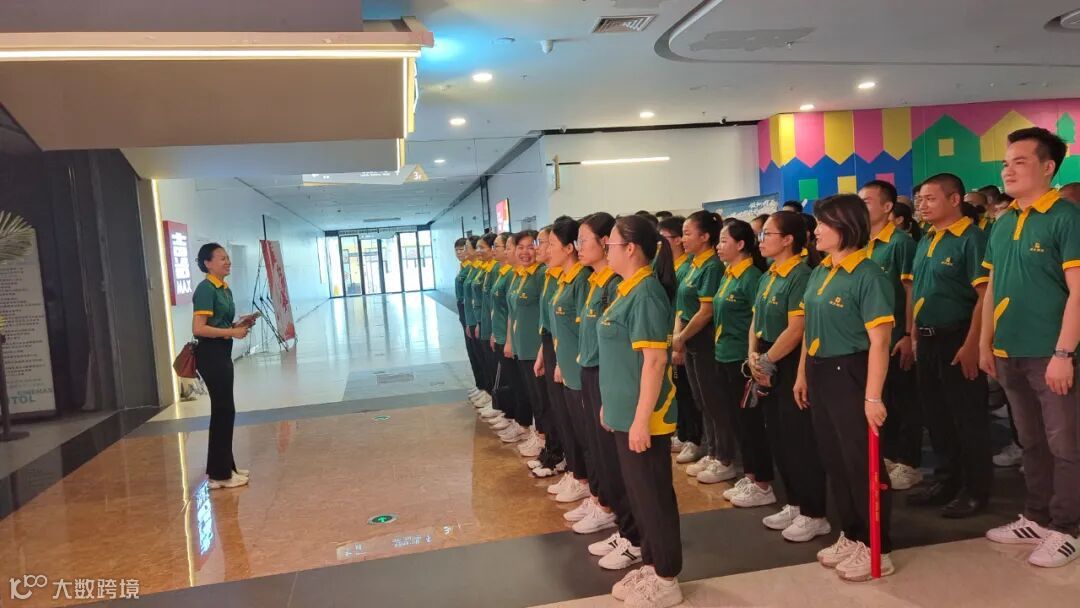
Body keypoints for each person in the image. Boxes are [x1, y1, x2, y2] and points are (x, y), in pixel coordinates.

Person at [981, 127, 1080, 568]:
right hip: (1009, 351)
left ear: (1048, 167)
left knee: (1066, 444)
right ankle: (1037, 517)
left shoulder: (1066, 216)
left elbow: (1078, 291)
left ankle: (1067, 528)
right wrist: (985, 343)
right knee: (1031, 441)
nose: (1008, 170)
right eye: (1006, 163)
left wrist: (1063, 353)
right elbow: (993, 287)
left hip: (1050, 353)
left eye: (1020, 161)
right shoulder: (1003, 223)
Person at [794, 194, 896, 581]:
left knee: (861, 463)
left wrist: (873, 396)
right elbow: (809, 329)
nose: (816, 230)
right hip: (820, 370)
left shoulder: (870, 275)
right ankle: (852, 534)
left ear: (847, 226)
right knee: (834, 459)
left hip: (852, 372)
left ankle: (878, 546)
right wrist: (803, 374)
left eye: (824, 223)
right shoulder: (820, 271)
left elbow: (880, 342)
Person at [600, 214, 683, 608]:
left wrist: (639, 420)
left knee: (653, 497)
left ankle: (667, 579)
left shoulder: (646, 293)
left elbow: (654, 362)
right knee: (639, 495)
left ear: (630, 248)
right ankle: (651, 565)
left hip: (644, 415)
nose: (607, 250)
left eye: (611, 243)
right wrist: (612, 405)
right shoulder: (626, 289)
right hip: (625, 410)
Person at [907, 173, 992, 519]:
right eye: (920, 200)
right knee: (937, 417)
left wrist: (973, 345)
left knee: (967, 418)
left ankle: (975, 490)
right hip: (927, 339)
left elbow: (984, 296)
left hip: (958, 338)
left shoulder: (971, 239)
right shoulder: (927, 239)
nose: (922, 205)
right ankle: (946, 481)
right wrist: (914, 334)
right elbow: (920, 291)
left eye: (930, 199)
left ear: (955, 200)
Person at [752, 212, 829, 542]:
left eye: (767, 234)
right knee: (778, 437)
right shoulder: (769, 274)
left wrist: (767, 360)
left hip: (789, 361)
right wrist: (753, 356)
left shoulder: (801, 275)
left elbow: (797, 329)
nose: (761, 240)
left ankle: (814, 512)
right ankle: (794, 502)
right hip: (766, 359)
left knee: (799, 440)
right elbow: (755, 320)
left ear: (788, 240)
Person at [859, 180, 923, 491]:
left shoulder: (900, 243)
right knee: (883, 399)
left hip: (896, 335)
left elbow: (910, 291)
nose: (861, 208)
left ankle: (908, 462)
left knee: (904, 401)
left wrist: (909, 333)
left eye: (867, 201)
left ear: (887, 207)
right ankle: (888, 456)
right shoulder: (863, 243)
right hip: (870, 339)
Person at [712, 219, 773, 508]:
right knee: (738, 421)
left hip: (742, 360)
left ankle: (763, 483)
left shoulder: (752, 277)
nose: (718, 246)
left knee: (751, 424)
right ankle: (750, 475)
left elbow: (757, 320)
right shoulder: (728, 273)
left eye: (724, 241)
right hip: (724, 355)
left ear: (741, 244)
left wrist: (753, 354)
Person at [673, 211, 737, 484]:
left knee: (714, 401)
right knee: (701, 399)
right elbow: (681, 307)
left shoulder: (712, 267)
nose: (683, 239)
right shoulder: (692, 264)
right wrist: (679, 336)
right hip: (690, 340)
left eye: (688, 233)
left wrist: (682, 337)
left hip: (705, 339)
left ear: (705, 237)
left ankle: (724, 458)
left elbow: (706, 310)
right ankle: (711, 451)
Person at [193, 243, 253, 490]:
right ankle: (220, 475)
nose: (227, 262)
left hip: (222, 352)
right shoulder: (205, 289)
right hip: (211, 354)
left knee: (225, 410)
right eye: (221, 258)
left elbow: (219, 323)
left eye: (227, 258)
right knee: (223, 410)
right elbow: (199, 328)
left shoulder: (223, 288)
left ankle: (226, 467)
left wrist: (239, 325)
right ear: (207, 263)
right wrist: (231, 332)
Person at [545, 217, 594, 503]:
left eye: (551, 244)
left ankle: (588, 483)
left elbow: (584, 330)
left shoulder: (581, 280)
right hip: (566, 365)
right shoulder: (563, 279)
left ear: (568, 248)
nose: (546, 250)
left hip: (579, 367)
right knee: (572, 427)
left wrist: (571, 362)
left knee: (586, 432)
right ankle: (579, 475)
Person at [659, 216, 704, 464]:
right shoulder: (669, 266)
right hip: (672, 335)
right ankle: (683, 431)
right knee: (679, 389)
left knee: (688, 392)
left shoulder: (688, 267)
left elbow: (685, 308)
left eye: (664, 238)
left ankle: (692, 437)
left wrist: (680, 341)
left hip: (685, 339)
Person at [507, 230, 549, 460]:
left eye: (531, 246)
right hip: (522, 346)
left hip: (536, 348)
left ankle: (544, 439)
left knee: (542, 400)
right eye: (520, 247)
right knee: (534, 396)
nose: (525, 252)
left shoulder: (541, 274)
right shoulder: (521, 274)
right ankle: (538, 434)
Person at [531, 225, 569, 478]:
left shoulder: (562, 278)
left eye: (544, 243)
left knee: (561, 408)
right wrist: (542, 353)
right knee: (550, 404)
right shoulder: (548, 274)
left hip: (560, 346)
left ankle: (560, 457)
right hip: (548, 342)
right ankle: (553, 451)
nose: (539, 248)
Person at [488, 232, 528, 443]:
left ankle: (523, 423)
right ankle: (514, 418)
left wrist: (508, 339)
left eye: (502, 246)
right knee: (514, 382)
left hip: (516, 339)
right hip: (505, 335)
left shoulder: (517, 275)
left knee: (520, 386)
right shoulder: (511, 274)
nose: (494, 250)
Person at [455, 238, 487, 407]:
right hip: (467, 312)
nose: (463, 252)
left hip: (477, 316)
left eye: (465, 248)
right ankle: (481, 386)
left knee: (482, 355)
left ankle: (487, 390)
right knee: (474, 352)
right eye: (459, 250)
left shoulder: (479, 269)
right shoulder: (468, 268)